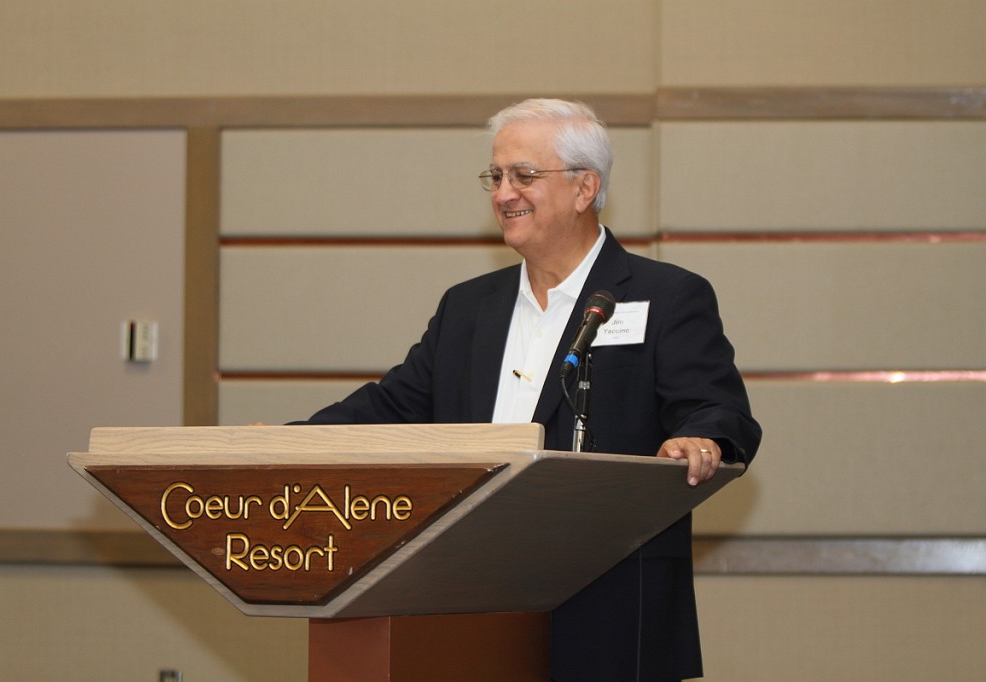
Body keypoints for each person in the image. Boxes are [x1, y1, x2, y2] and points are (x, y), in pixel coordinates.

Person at [295, 98, 761, 681]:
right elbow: (390, 408)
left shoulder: (664, 296)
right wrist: (288, 446)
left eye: (524, 175)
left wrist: (702, 438)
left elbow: (718, 408)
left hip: (612, 613)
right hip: (469, 610)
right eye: (495, 176)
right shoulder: (468, 307)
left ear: (585, 188)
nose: (503, 193)